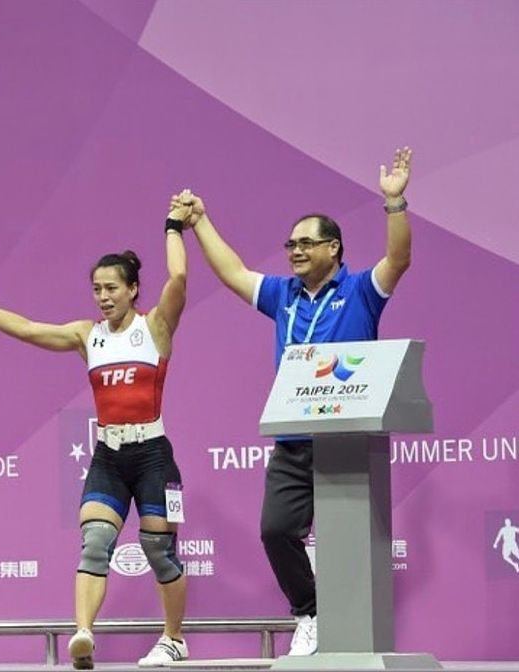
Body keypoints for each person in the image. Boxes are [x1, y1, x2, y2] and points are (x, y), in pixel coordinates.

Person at [173, 147, 413, 656]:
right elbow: (234, 273)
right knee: (275, 530)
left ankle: (358, 638)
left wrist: (394, 203)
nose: (295, 251)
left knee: (353, 546)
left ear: (333, 247)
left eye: (306, 243)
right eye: (290, 244)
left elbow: (399, 260)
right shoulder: (282, 295)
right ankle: (311, 612)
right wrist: (200, 222)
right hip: (293, 440)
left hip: (347, 440)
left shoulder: (361, 290)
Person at [0, 203, 192, 669]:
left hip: (154, 457)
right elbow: (29, 330)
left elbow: (178, 278)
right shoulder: (85, 335)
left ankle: (174, 639)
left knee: (159, 552)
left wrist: (174, 226)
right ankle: (83, 635)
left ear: (133, 289)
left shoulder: (154, 327)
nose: (103, 297)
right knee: (95, 541)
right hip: (109, 457)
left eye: (112, 288)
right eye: (96, 290)